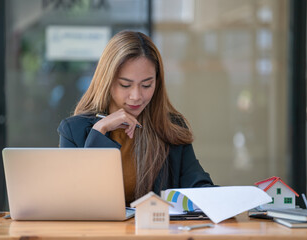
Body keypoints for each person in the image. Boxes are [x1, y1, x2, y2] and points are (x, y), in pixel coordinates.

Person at [57, 30, 214, 205]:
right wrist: (99, 131)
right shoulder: (74, 131)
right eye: (125, 85)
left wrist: (236, 197)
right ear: (107, 82)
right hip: (98, 232)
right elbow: (73, 200)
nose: (136, 96)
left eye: (146, 85)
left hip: (155, 231)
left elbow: (198, 186)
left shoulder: (171, 127)